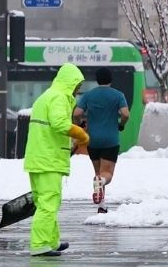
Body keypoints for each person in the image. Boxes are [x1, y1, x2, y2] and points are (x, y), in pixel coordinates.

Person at [24, 63, 88, 256]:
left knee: (45, 202)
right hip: (48, 159)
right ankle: (41, 244)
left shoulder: (46, 97)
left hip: (39, 157)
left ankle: (51, 241)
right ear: (70, 83)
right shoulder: (59, 97)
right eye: (77, 87)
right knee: (49, 203)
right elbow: (60, 123)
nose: (77, 92)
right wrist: (81, 135)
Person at [73, 67, 130, 214]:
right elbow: (125, 114)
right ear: (111, 79)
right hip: (110, 140)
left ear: (97, 79)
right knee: (106, 174)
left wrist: (80, 125)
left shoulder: (88, 95)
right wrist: (121, 125)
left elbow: (77, 113)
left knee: (98, 172)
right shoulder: (118, 95)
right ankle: (101, 187)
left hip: (93, 140)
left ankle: (102, 206)